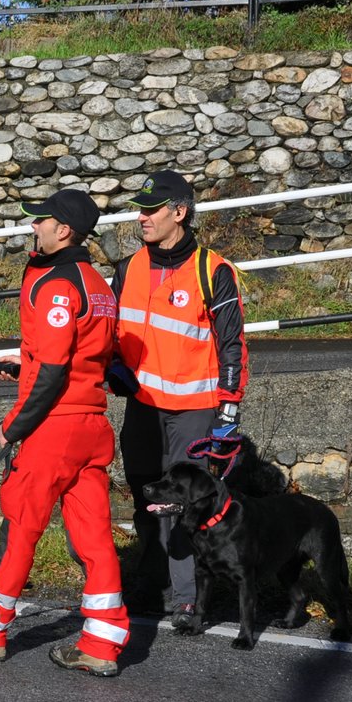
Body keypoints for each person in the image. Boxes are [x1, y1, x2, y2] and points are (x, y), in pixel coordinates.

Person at [0, 188, 131, 677]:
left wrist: (13, 426)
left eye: (40, 221)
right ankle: (102, 644)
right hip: (92, 425)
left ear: (63, 229)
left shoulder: (56, 284)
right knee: (95, 540)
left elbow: (52, 371)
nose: (32, 227)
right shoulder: (99, 286)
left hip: (54, 429)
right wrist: (19, 363)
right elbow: (82, 359)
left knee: (20, 529)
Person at [110, 170, 248, 631]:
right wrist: (111, 367)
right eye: (141, 209)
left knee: (181, 506)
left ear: (180, 212)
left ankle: (187, 599)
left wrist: (228, 411)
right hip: (142, 407)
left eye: (152, 209)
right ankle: (150, 587)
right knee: (147, 498)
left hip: (193, 410)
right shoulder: (128, 267)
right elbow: (110, 333)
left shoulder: (213, 270)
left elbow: (232, 345)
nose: (142, 217)